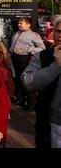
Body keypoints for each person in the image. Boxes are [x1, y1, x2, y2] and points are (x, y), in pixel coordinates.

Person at [21, 16, 61, 148]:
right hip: (50, 124)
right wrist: (56, 66)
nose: (60, 35)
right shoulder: (43, 56)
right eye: (58, 31)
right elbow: (28, 83)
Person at [10, 16, 45, 111]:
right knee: (18, 80)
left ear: (28, 25)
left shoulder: (34, 35)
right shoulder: (17, 33)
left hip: (25, 60)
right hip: (15, 59)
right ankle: (20, 99)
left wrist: (28, 50)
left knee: (27, 81)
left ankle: (31, 104)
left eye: (21, 23)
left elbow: (42, 48)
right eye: (19, 22)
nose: (19, 24)